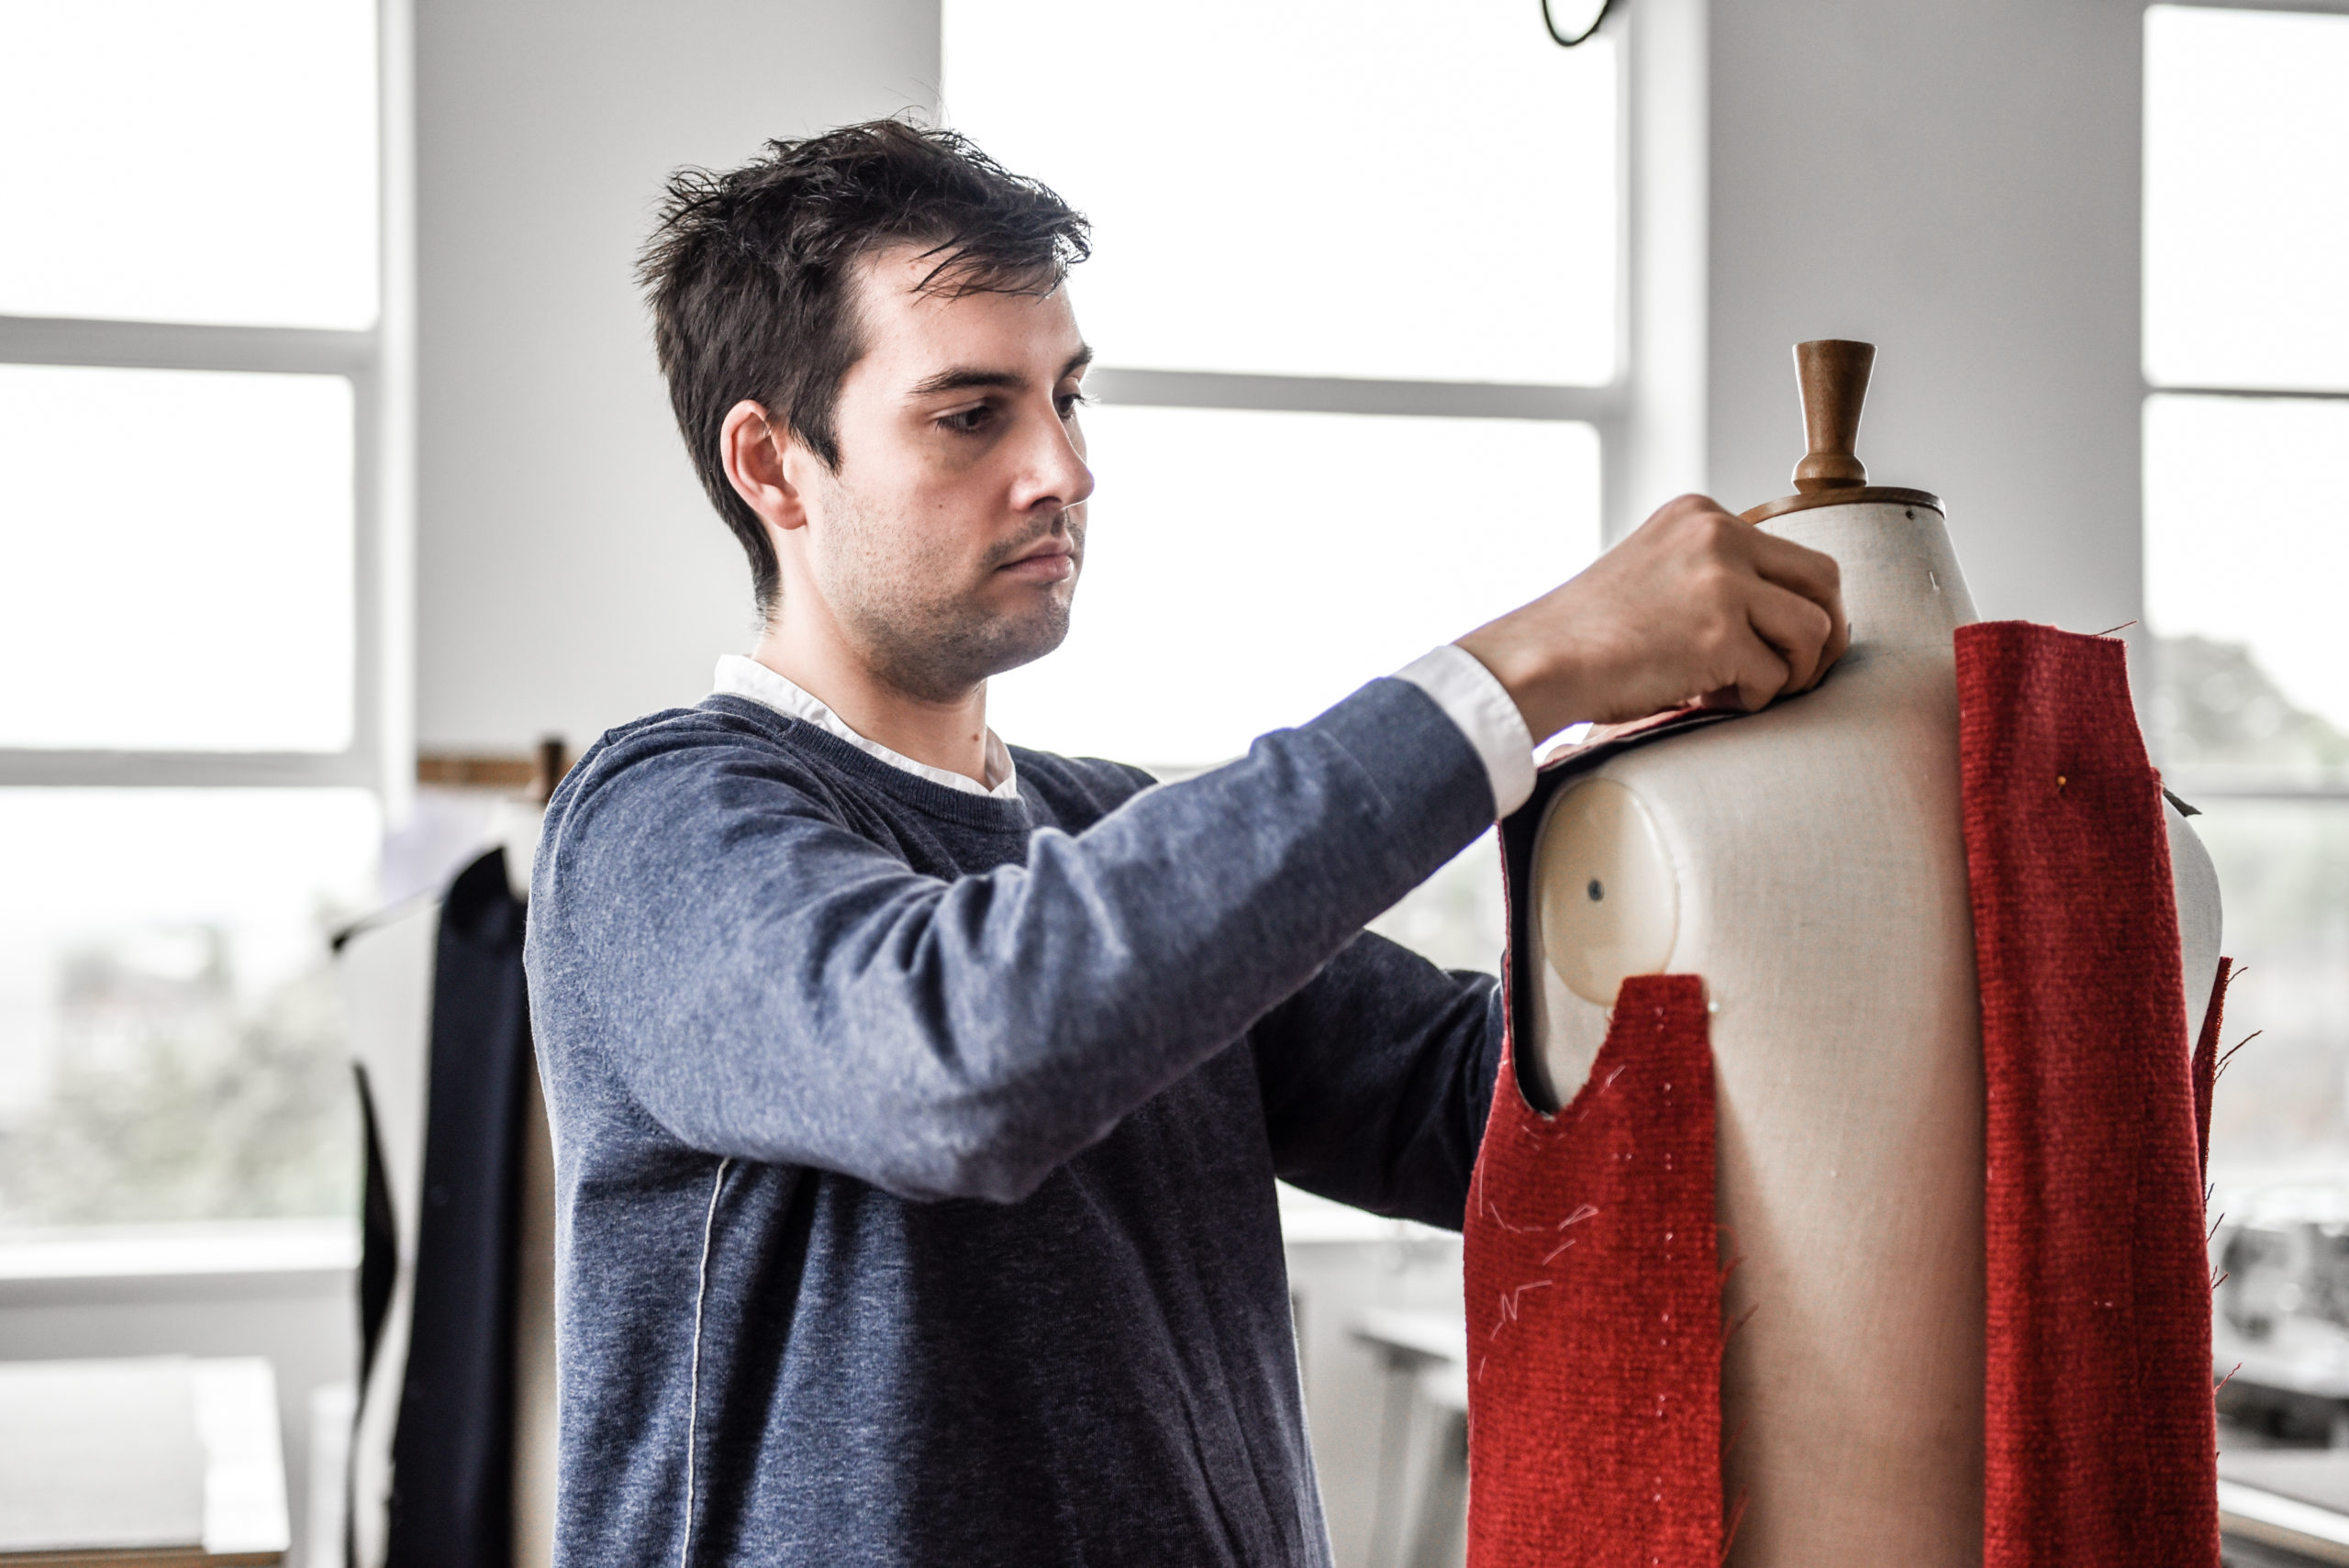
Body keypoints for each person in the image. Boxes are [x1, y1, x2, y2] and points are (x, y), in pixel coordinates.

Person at [524, 118, 1846, 1567]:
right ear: (773, 463)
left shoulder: (1110, 831)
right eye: (971, 415)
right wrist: (1525, 668)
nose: (1062, 469)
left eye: (1068, 399)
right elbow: (956, 1056)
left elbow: (1494, 1105)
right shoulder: (652, 823)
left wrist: (1749, 803)